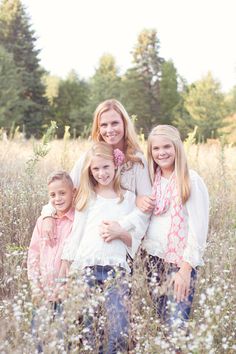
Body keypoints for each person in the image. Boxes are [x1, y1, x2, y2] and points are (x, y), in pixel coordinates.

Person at [58, 142, 149, 354]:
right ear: (90, 171)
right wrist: (66, 265)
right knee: (90, 330)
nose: (101, 173)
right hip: (86, 268)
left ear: (116, 164)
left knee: (119, 328)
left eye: (106, 167)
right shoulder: (86, 196)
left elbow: (134, 238)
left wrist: (120, 232)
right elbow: (77, 233)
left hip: (116, 270)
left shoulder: (128, 198)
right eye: (96, 169)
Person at [41, 99, 152, 245]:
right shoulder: (92, 156)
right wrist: (48, 215)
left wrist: (121, 230)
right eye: (103, 125)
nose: (109, 130)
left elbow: (145, 207)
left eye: (115, 123)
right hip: (91, 238)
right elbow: (67, 189)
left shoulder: (137, 160)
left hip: (124, 239)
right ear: (98, 128)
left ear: (125, 124)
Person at [137, 125, 209, 333]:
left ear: (177, 147)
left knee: (176, 326)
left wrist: (185, 270)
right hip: (153, 260)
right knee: (163, 324)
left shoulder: (191, 180)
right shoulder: (151, 179)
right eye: (156, 149)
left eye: (167, 146)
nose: (162, 153)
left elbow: (198, 230)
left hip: (179, 263)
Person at [27, 171, 76, 351]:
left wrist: (68, 289)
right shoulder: (43, 221)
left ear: (74, 192)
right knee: (39, 341)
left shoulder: (78, 222)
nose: (57, 198)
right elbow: (33, 254)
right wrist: (35, 286)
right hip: (42, 292)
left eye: (62, 193)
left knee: (62, 342)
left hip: (66, 295)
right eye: (52, 195)